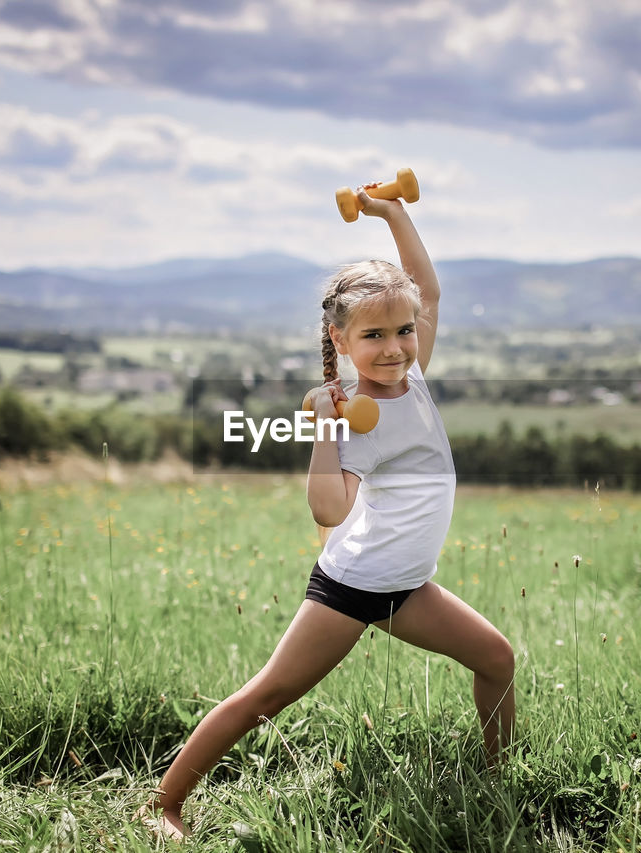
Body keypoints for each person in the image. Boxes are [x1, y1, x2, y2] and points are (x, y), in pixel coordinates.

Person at [139, 189, 516, 840]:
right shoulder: (355, 415)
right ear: (341, 339)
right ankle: (163, 803)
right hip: (353, 586)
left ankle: (502, 778)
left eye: (403, 329)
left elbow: (425, 286)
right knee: (266, 697)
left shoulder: (411, 375)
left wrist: (391, 213)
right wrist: (323, 428)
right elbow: (329, 507)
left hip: (406, 586)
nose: (396, 345)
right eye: (374, 335)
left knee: (497, 659)